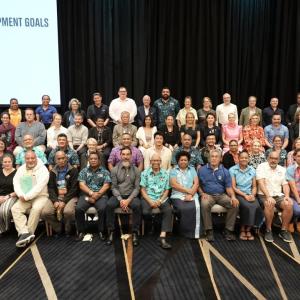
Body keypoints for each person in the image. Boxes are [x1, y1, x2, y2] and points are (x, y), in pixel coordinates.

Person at [198, 150, 239, 242]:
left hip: (221, 195)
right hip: (207, 195)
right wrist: (202, 193)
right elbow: (198, 185)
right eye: (212, 156)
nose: (214, 158)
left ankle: (228, 230)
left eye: (216, 156)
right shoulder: (202, 170)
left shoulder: (225, 171)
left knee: (234, 204)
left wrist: (233, 197)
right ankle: (209, 230)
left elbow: (228, 188)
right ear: (209, 158)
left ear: (220, 159)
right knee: (204, 204)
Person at [12, 151, 49, 247]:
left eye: (32, 158)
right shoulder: (21, 169)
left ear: (36, 158)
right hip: (24, 197)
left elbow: (39, 187)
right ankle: (24, 233)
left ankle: (29, 233)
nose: (30, 160)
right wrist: (20, 194)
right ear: (25, 159)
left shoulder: (43, 169)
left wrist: (27, 196)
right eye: (28, 158)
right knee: (15, 209)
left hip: (40, 196)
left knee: (36, 209)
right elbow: (16, 182)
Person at [106, 147, 141, 246]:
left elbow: (137, 188)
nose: (125, 157)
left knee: (138, 206)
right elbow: (114, 187)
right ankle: (111, 232)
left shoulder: (137, 170)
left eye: (128, 154)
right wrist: (121, 200)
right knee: (109, 205)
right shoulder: (114, 170)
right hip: (118, 195)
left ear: (131, 156)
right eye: (123, 154)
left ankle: (135, 232)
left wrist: (128, 200)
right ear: (120, 156)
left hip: (131, 196)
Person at [256, 151, 293, 243]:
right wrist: (268, 196)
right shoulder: (262, 167)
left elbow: (285, 185)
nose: (273, 160)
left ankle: (283, 230)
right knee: (270, 203)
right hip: (264, 194)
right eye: (271, 158)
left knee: (288, 204)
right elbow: (261, 183)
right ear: (268, 158)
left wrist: (287, 196)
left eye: (275, 159)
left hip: (278, 194)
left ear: (279, 160)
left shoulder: (282, 169)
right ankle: (268, 229)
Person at [41, 151, 78, 236]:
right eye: (59, 159)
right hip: (56, 196)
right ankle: (58, 228)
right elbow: (50, 188)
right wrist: (55, 201)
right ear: (55, 160)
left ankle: (68, 230)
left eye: (63, 158)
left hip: (69, 196)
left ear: (66, 158)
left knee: (68, 212)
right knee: (45, 212)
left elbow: (74, 189)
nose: (61, 160)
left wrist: (64, 201)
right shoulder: (52, 172)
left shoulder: (73, 171)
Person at [75, 152, 111, 241]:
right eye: (91, 159)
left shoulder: (105, 171)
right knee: (78, 208)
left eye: (95, 159)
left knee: (103, 208)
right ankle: (81, 231)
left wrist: (97, 195)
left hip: (101, 195)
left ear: (99, 160)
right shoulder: (84, 171)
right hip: (86, 195)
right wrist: (91, 194)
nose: (93, 160)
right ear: (88, 160)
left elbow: (106, 185)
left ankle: (101, 230)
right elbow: (81, 185)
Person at [140, 153, 173, 249]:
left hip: (161, 198)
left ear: (160, 162)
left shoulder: (166, 174)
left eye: (158, 160)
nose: (156, 162)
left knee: (168, 210)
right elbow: (142, 190)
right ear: (150, 162)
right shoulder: (144, 173)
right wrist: (150, 201)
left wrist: (160, 200)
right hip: (148, 197)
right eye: (154, 160)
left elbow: (167, 190)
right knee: (145, 212)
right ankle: (152, 224)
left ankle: (162, 237)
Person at [229, 151, 263, 240]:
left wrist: (252, 194)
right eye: (242, 157)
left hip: (250, 193)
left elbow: (254, 186)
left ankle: (249, 229)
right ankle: (242, 229)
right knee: (247, 206)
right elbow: (233, 187)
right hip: (239, 193)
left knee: (257, 206)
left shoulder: (252, 170)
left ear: (248, 159)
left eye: (246, 158)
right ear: (238, 159)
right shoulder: (232, 170)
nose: (244, 159)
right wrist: (245, 196)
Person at [170, 151, 200, 238]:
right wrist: (188, 191)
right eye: (181, 160)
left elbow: (196, 183)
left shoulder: (192, 169)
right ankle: (183, 231)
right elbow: (173, 184)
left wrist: (191, 194)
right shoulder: (173, 170)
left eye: (185, 160)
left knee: (195, 207)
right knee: (182, 208)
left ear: (188, 161)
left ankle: (194, 232)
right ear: (178, 161)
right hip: (177, 195)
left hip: (192, 194)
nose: (183, 161)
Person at [0, 154, 17, 234]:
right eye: (5, 162)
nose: (7, 163)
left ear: (12, 162)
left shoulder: (17, 173)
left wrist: (7, 197)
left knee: (4, 210)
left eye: (9, 162)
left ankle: (4, 229)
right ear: (2, 163)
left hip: (12, 196)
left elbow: (18, 190)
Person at [286, 149, 300, 232]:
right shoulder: (290, 169)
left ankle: (298, 222)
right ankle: (290, 222)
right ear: (294, 157)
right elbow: (293, 187)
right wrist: (299, 200)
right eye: (298, 156)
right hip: (293, 196)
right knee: (297, 210)